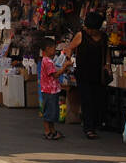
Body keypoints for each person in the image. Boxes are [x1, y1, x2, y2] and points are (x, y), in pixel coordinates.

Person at [64, 11, 111, 141]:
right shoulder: (81, 35)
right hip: (83, 73)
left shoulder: (104, 37)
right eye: (88, 28)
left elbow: (106, 52)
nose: (89, 31)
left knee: (98, 99)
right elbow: (69, 48)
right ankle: (89, 128)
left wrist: (107, 65)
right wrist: (68, 59)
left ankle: (96, 123)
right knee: (87, 100)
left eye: (91, 29)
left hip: (98, 73)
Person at [38, 37, 63, 141]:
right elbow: (55, 75)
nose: (55, 50)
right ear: (47, 49)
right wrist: (65, 67)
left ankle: (52, 130)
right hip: (49, 91)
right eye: (53, 48)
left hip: (51, 90)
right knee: (49, 111)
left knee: (52, 111)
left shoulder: (48, 60)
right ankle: (48, 131)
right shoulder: (47, 61)